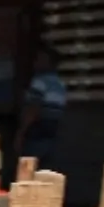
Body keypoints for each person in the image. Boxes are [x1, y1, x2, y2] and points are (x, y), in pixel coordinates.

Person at [13, 42, 67, 174]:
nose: (36, 63)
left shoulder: (39, 82)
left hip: (36, 131)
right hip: (51, 133)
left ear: (49, 62)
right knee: (45, 170)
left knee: (28, 169)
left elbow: (33, 109)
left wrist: (21, 132)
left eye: (40, 59)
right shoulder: (60, 84)